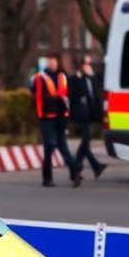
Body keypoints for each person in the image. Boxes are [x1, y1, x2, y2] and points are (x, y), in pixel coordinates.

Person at [34, 54, 82, 187]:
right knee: (50, 145)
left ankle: (74, 171)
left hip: (61, 116)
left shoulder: (63, 76)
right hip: (46, 116)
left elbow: (69, 94)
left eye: (54, 62)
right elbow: (38, 96)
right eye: (50, 62)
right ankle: (48, 177)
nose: (52, 64)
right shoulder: (40, 78)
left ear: (58, 63)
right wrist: (55, 98)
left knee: (62, 145)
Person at [68, 54, 107, 179]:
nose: (89, 66)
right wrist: (82, 77)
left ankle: (93, 167)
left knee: (86, 142)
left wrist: (92, 77)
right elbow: (74, 96)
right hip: (80, 115)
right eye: (86, 64)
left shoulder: (91, 78)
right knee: (86, 140)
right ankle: (77, 165)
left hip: (89, 114)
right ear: (81, 65)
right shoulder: (76, 79)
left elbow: (97, 93)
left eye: (90, 64)